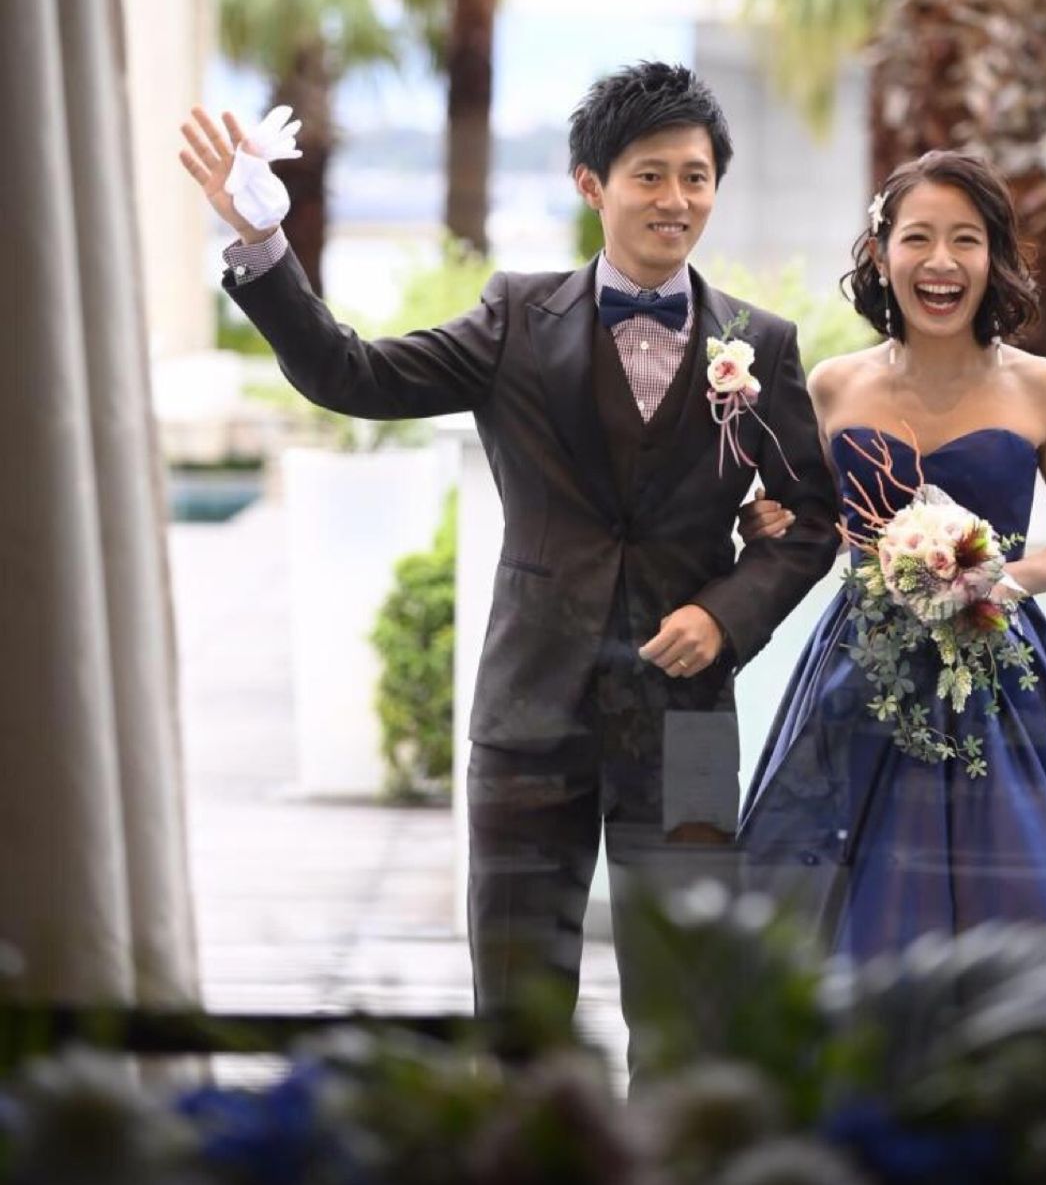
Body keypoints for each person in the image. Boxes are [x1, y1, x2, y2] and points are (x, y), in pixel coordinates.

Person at [178, 63, 838, 1063]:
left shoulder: (760, 343)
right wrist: (264, 244)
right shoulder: (515, 319)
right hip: (530, 709)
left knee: (691, 1007)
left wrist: (726, 612)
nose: (675, 199)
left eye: (695, 177)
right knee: (518, 1018)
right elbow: (351, 375)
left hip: (692, 718)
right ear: (590, 184)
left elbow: (812, 518)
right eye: (649, 175)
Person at [737, 150, 1046, 1030]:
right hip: (857, 670)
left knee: (1030, 883)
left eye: (965, 240)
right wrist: (765, 521)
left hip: (1000, 665)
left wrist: (1002, 580)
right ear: (880, 253)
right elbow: (813, 524)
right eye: (918, 238)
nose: (940, 261)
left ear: (994, 256)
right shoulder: (832, 384)